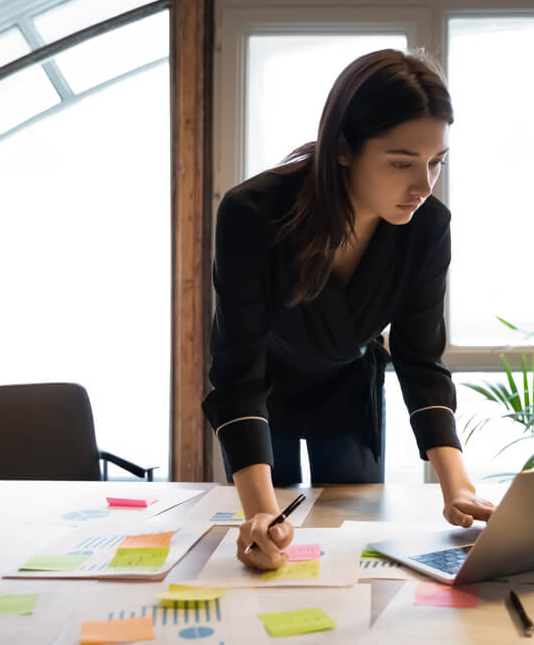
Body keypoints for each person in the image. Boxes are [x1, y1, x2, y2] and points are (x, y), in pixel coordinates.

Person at [202, 48, 495, 572]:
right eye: (402, 162)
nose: (424, 186)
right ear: (343, 149)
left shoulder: (429, 227)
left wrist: (459, 487)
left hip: (348, 388)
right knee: (271, 540)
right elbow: (237, 372)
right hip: (262, 393)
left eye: (436, 162)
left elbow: (420, 359)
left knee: (351, 547)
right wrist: (261, 521)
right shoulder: (253, 213)